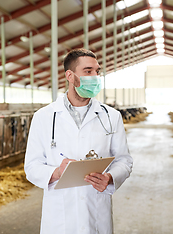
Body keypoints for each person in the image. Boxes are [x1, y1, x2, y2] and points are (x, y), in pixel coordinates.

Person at [24, 48, 133, 234]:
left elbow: (124, 160)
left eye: (97, 71)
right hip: (59, 217)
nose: (95, 77)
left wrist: (109, 177)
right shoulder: (44, 117)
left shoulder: (111, 116)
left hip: (97, 212)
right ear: (70, 76)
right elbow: (32, 166)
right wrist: (57, 172)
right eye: (88, 71)